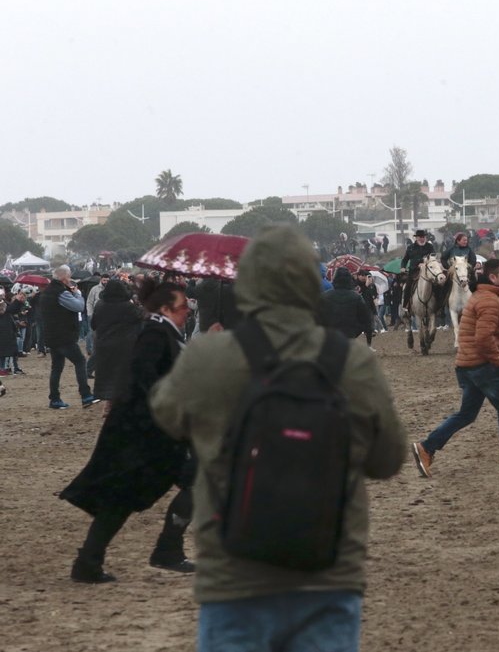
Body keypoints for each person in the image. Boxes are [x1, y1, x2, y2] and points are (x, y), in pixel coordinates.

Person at [150, 225, 404, 651]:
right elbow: (388, 460)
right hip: (327, 572)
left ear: (245, 283)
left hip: (234, 574)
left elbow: (165, 414)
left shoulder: (212, 355)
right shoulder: (353, 361)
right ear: (311, 282)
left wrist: (198, 361)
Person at [61, 278, 196, 583]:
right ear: (165, 308)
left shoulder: (162, 332)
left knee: (120, 499)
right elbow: (145, 381)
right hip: (148, 433)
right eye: (183, 305)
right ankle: (165, 551)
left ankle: (89, 562)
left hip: (147, 431)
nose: (188, 310)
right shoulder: (155, 334)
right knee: (194, 481)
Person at [411, 259, 499, 476]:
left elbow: (498, 333)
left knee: (467, 414)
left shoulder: (482, 297)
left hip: (467, 365)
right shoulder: (490, 301)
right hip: (483, 366)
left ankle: (426, 448)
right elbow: (484, 338)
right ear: (492, 278)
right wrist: (498, 361)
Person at [44, 266, 100, 409]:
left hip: (52, 336)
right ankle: (86, 395)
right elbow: (79, 306)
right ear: (64, 278)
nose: (70, 280)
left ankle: (54, 399)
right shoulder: (61, 292)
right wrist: (77, 294)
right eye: (69, 277)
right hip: (64, 336)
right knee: (80, 362)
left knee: (56, 367)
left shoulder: (47, 292)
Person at [90, 279, 142, 403]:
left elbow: (93, 324)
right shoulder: (127, 306)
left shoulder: (100, 305)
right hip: (124, 344)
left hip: (104, 344)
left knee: (106, 374)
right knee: (122, 374)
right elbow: (139, 317)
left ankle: (108, 402)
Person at [321, 267, 375, 346]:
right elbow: (366, 320)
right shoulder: (356, 297)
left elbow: (318, 318)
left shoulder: (325, 296)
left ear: (335, 279)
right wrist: (357, 333)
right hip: (349, 335)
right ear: (349, 280)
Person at [401, 229, 437, 312]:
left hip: (427, 271)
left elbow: (433, 257)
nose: (422, 238)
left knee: (437, 284)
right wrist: (403, 267)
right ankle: (406, 305)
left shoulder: (429, 246)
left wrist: (424, 263)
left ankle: (438, 306)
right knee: (408, 286)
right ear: (416, 238)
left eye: (423, 237)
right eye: (420, 237)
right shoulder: (410, 247)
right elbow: (405, 259)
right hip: (414, 271)